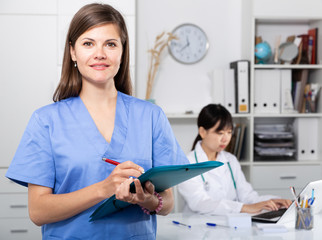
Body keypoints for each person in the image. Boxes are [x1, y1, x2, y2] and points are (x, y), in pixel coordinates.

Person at [5, 3, 188, 239]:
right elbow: (38, 211)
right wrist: (104, 188)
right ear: (73, 52)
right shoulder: (45, 121)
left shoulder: (151, 116)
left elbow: (168, 203)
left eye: (110, 44)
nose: (99, 53)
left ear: (122, 52)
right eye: (88, 43)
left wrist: (147, 199)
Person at [178, 104, 292, 215]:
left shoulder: (230, 160)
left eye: (229, 132)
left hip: (229, 226)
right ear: (202, 132)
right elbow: (199, 203)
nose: (225, 139)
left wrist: (272, 201)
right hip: (198, 228)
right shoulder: (188, 164)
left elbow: (247, 196)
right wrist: (243, 208)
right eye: (220, 133)